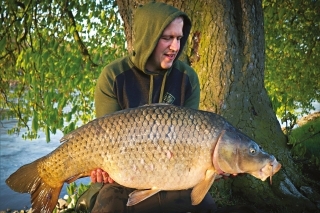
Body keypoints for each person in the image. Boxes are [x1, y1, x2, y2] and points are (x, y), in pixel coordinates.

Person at [76, 2, 216, 213]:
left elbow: (193, 140)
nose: (175, 47)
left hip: (173, 177)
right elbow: (102, 140)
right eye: (167, 38)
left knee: (207, 207)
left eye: (179, 38)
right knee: (109, 204)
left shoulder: (188, 78)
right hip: (120, 181)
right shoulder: (114, 76)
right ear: (148, 37)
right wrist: (100, 168)